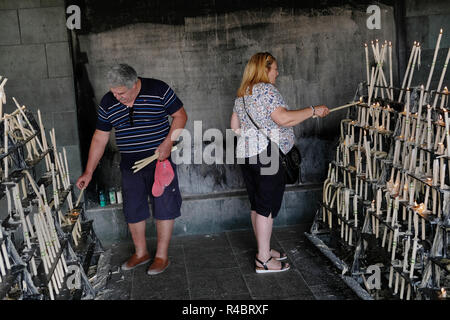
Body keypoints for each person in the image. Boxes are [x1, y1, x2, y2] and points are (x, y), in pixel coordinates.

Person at [76, 64, 187, 275]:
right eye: (114, 92)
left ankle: (162, 256)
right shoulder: (108, 102)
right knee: (133, 209)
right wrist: (88, 171)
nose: (117, 97)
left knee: (164, 205)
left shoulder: (158, 89)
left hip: (159, 161)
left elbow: (181, 116)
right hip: (130, 163)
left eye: (121, 93)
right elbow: (100, 136)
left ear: (135, 84)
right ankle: (141, 252)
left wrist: (167, 143)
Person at [230, 52, 329, 273]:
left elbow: (235, 127)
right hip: (267, 155)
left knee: (257, 205)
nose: (278, 72)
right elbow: (283, 118)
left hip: (246, 154)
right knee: (266, 207)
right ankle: (264, 261)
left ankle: (262, 250)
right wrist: (313, 111)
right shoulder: (266, 90)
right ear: (264, 69)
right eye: (275, 68)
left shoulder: (242, 94)